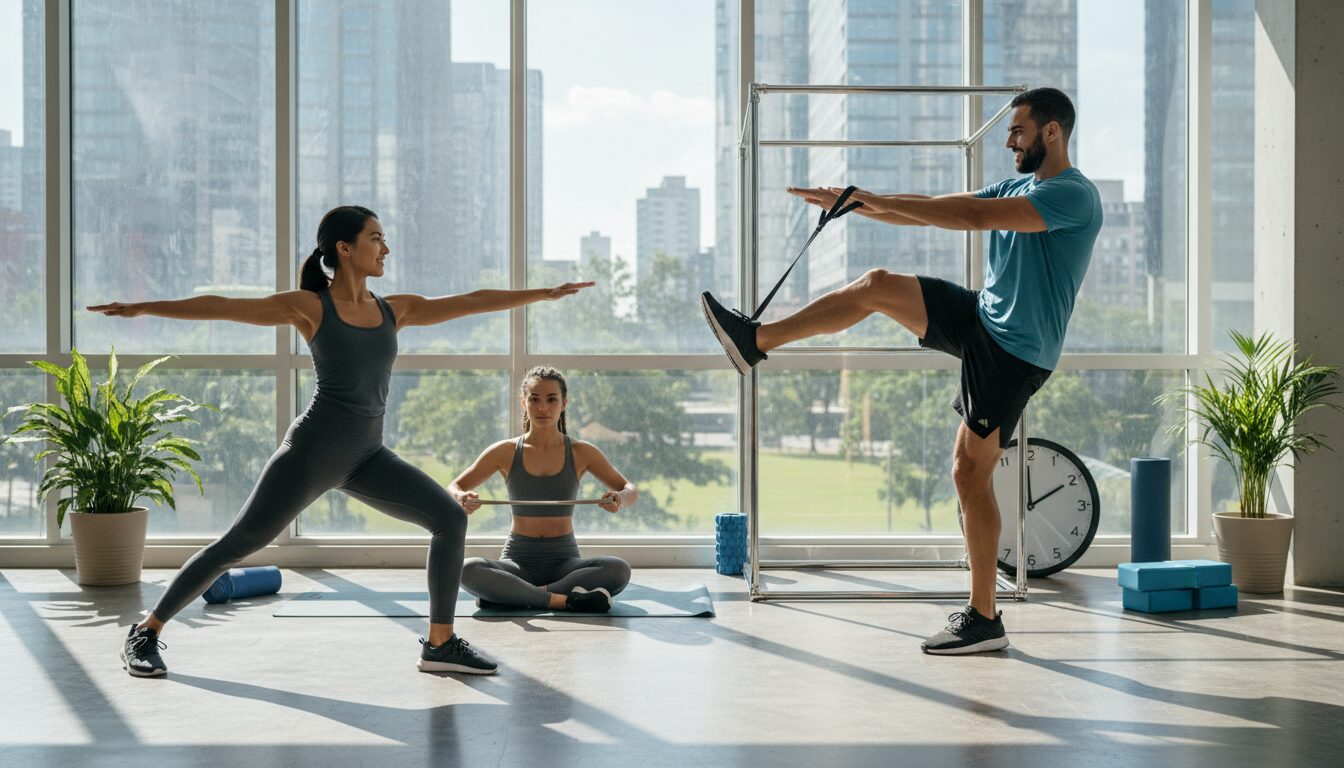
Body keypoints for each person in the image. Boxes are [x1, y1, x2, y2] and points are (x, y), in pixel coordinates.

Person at [91, 205, 592, 677]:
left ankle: (440, 643)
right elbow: (224, 307)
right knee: (238, 544)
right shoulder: (311, 306)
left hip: (367, 457)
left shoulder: (394, 310)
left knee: (448, 518)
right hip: (311, 455)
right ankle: (145, 631)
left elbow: (469, 302)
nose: (385, 249)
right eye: (376, 238)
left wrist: (542, 294)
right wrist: (145, 307)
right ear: (345, 248)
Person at [700, 87, 1102, 655]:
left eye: (1018, 130)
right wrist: (857, 201)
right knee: (878, 285)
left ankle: (984, 617)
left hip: (1016, 351)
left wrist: (872, 200)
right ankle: (756, 341)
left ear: (1052, 131)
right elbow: (937, 204)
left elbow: (968, 217)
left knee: (969, 473)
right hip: (984, 317)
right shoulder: (1017, 186)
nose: (1009, 141)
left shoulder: (1073, 196)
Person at [450, 366, 637, 613]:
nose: (543, 408)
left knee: (618, 570)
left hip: (565, 563)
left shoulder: (581, 452)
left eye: (551, 400)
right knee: (466, 569)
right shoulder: (504, 451)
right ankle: (561, 600)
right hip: (517, 561)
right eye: (534, 399)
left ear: (564, 403)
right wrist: (461, 497)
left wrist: (619, 497)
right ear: (523, 402)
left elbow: (630, 489)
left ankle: (513, 595)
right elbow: (454, 486)